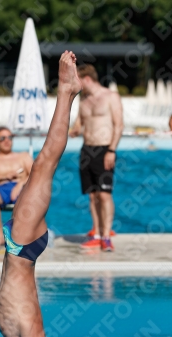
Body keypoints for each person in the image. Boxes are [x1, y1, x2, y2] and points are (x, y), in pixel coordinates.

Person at [0, 51, 81, 337]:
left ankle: (67, 92)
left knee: (42, 166)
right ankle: (67, 92)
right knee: (45, 162)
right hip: (23, 247)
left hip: (19, 247)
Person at [69, 65, 123, 252]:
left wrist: (112, 150)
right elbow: (79, 123)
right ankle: (98, 234)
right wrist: (73, 130)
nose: (76, 83)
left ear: (87, 79)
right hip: (86, 150)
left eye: (78, 79)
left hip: (104, 149)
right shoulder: (83, 99)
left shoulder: (110, 97)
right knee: (92, 195)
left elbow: (119, 125)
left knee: (104, 194)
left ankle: (107, 236)